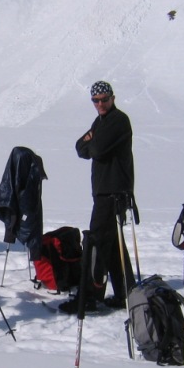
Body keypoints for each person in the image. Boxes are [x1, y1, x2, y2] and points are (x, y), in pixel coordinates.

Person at [67, 80, 134, 314]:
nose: (100, 104)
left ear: (113, 98)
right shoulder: (101, 122)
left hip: (113, 192)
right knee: (113, 245)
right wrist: (93, 142)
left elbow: (95, 149)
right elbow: (80, 147)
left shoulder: (118, 120)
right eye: (95, 101)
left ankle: (88, 297)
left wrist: (93, 142)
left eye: (104, 99)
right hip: (104, 191)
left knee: (95, 242)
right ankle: (126, 292)